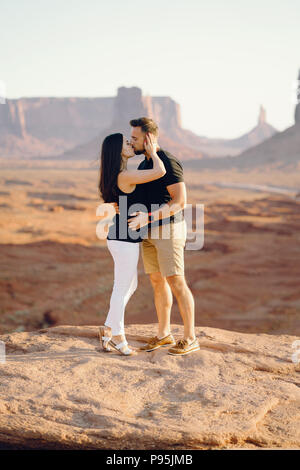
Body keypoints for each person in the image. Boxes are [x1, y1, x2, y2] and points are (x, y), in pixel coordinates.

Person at [128, 117, 200, 356]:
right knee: (157, 281)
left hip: (168, 229)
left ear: (148, 138)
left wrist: (147, 217)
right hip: (148, 231)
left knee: (177, 282)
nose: (131, 141)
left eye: (135, 138)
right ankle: (164, 334)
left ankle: (190, 338)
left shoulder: (168, 161)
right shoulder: (143, 164)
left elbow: (180, 202)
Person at [98, 132, 166, 356]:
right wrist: (154, 151)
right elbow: (160, 171)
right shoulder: (124, 175)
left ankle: (108, 327)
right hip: (124, 240)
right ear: (118, 150)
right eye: (126, 143)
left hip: (122, 239)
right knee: (122, 287)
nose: (130, 145)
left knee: (130, 285)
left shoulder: (117, 174)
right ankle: (118, 337)